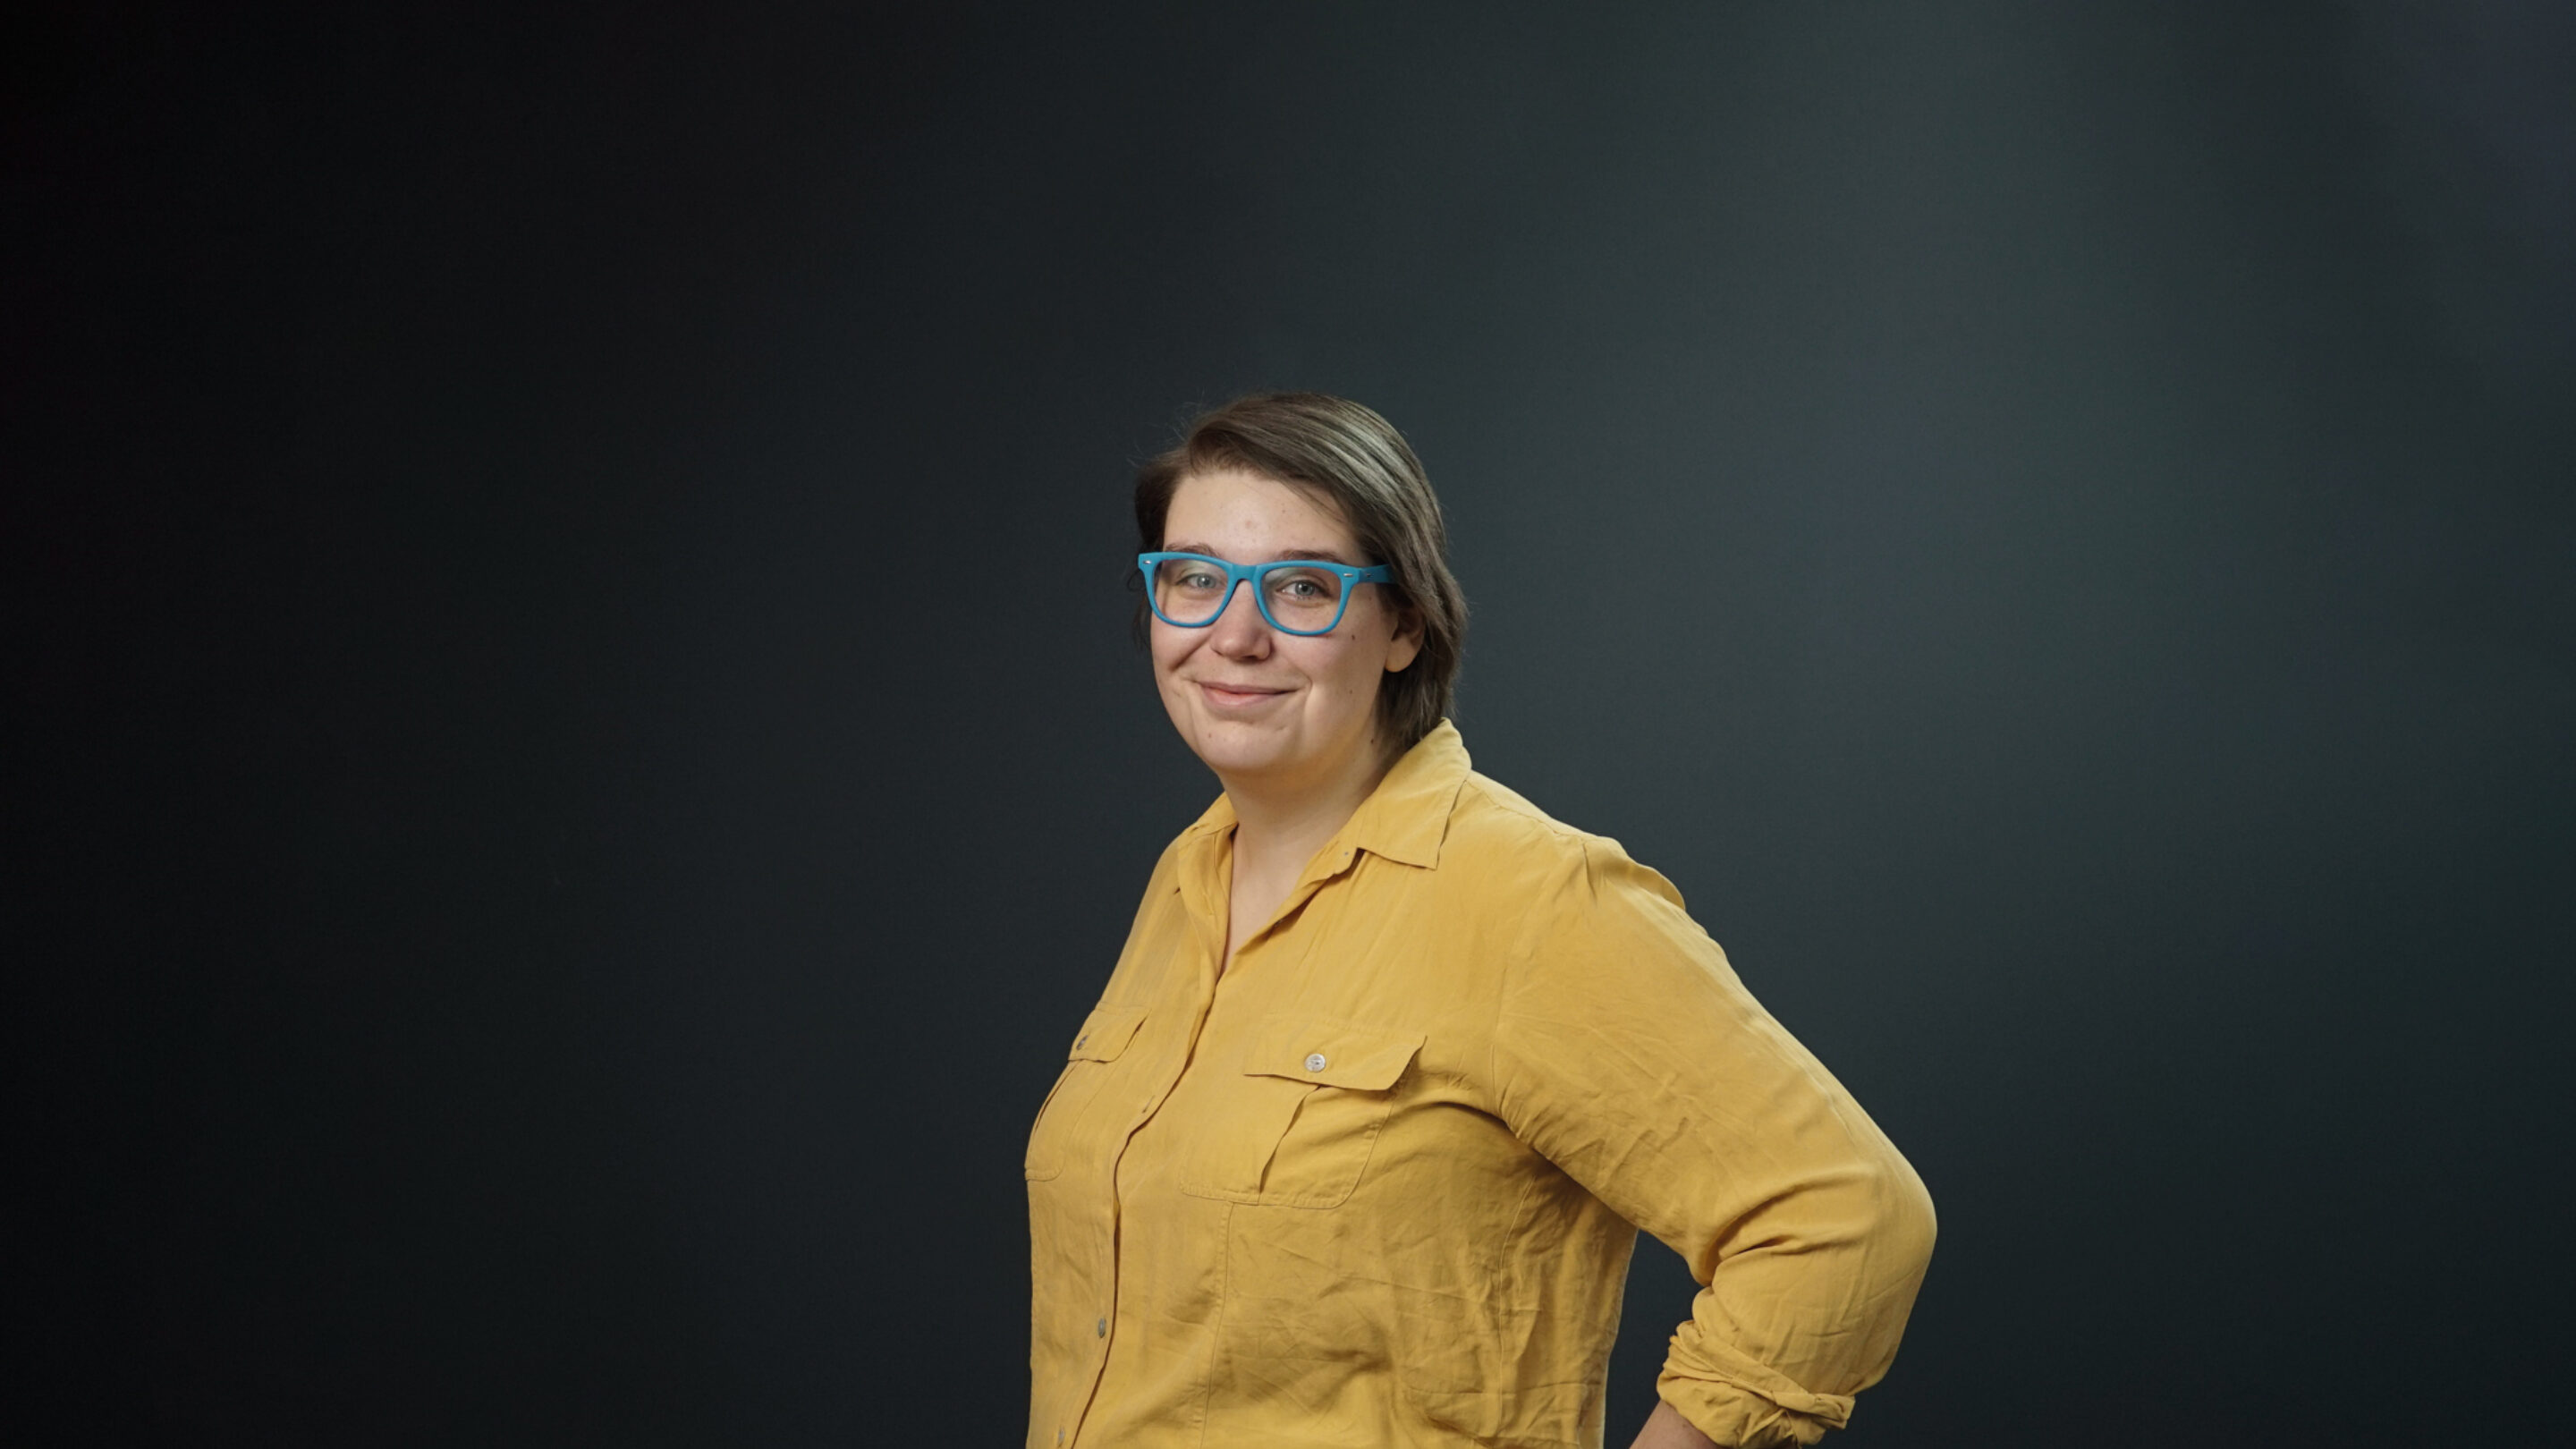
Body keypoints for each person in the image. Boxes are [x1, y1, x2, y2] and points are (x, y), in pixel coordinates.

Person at [1026, 393, 1935, 1449]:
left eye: (1303, 588)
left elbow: (1847, 1219)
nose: (1234, 634)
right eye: (1193, 579)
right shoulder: (1184, 880)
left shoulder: (1527, 897)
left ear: (1404, 626)